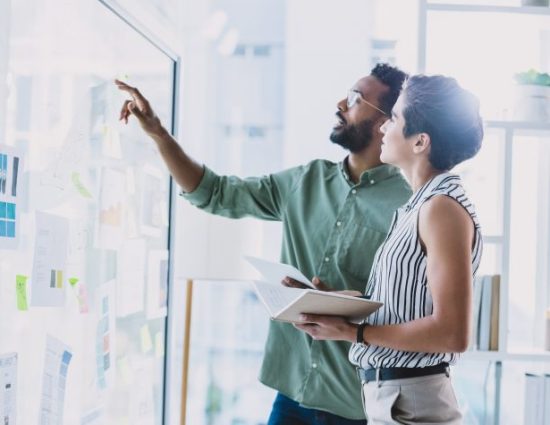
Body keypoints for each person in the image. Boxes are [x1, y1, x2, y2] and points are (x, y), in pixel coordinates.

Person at [116, 63, 412, 425]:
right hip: (291, 394)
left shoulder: (410, 206)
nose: (339, 104)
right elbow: (215, 192)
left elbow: (413, 312)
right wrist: (159, 134)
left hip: (356, 406)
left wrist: (346, 304)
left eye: (354, 99)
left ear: (386, 121)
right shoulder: (305, 181)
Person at [294, 75, 484, 425]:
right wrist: (334, 306)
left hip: (415, 405)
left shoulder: (441, 208)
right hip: (393, 399)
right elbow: (406, 308)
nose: (383, 127)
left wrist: (353, 333)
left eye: (394, 118)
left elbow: (452, 333)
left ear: (420, 142)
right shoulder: (417, 206)